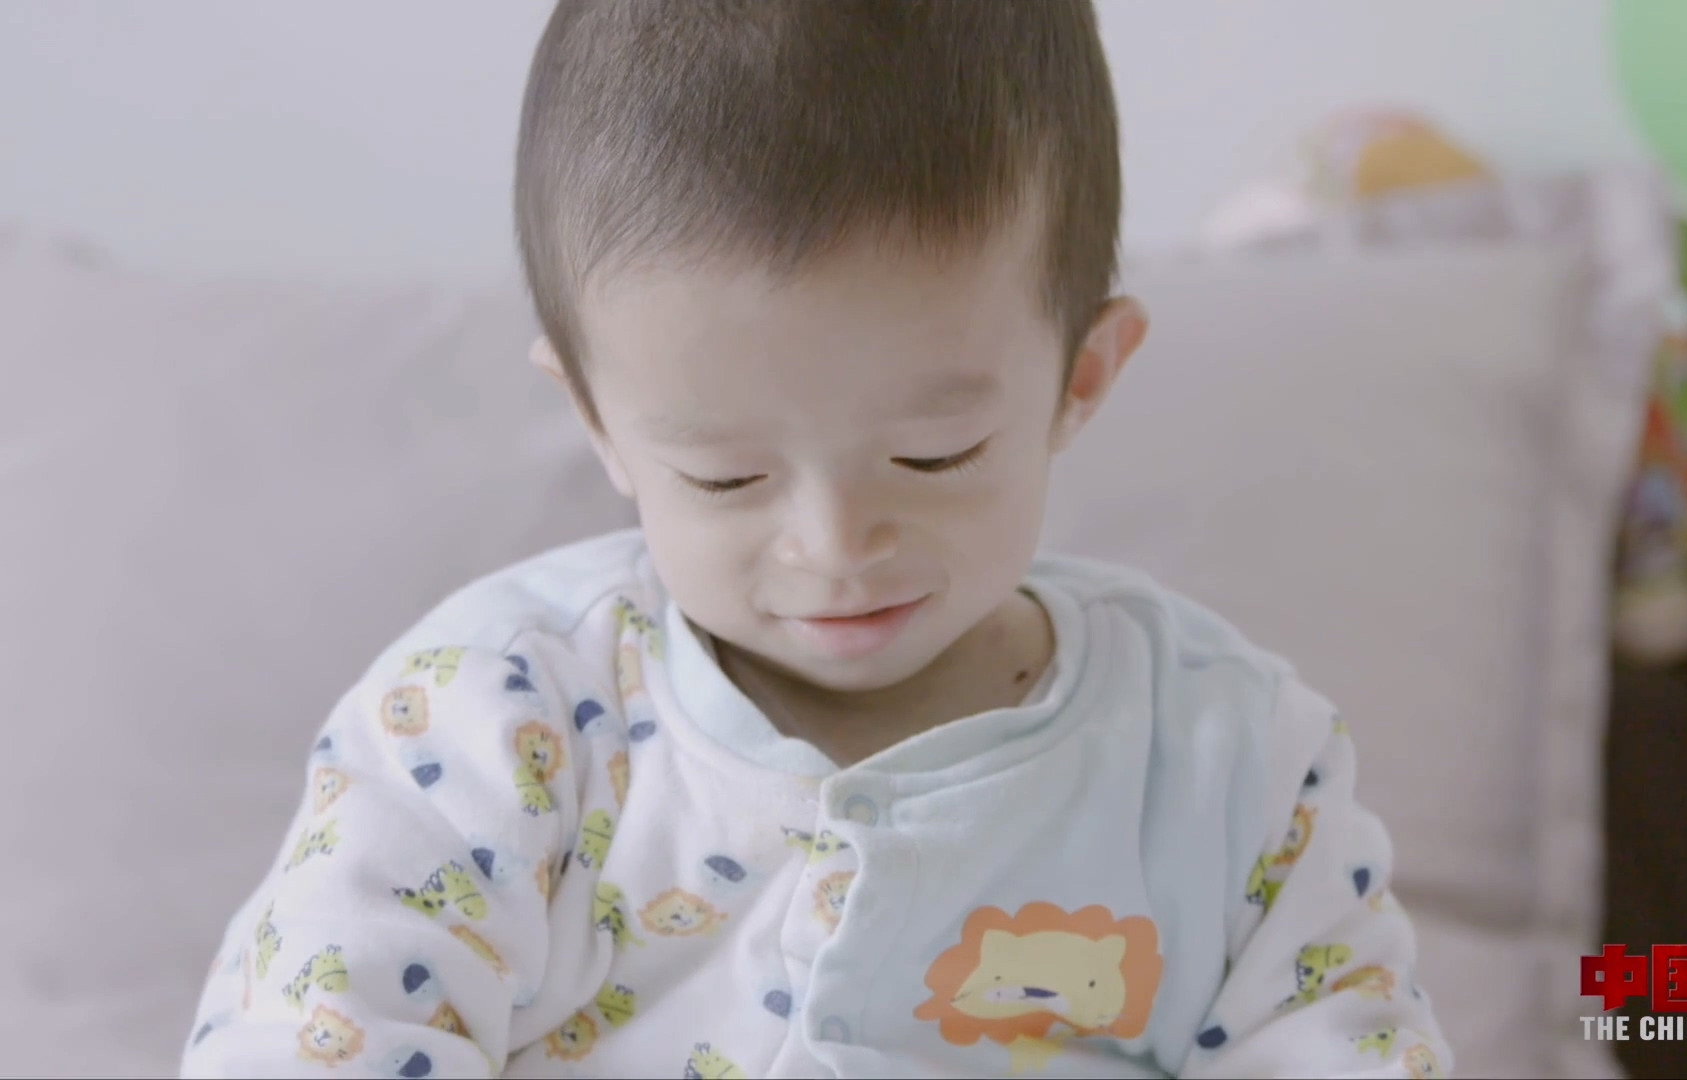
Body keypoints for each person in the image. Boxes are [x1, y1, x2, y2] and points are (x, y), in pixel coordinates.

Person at [182, 3, 1451, 1076]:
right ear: (597, 420)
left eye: (934, 456)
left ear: (1083, 376)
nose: (837, 547)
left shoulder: (1233, 763)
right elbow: (311, 1037)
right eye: (726, 476)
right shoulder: (488, 724)